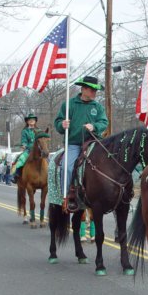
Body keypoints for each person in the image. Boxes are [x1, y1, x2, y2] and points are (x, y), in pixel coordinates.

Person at [54, 76, 109, 210]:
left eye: (96, 91)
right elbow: (57, 122)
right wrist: (62, 124)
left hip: (93, 142)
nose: (94, 93)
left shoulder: (98, 107)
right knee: (67, 167)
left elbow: (104, 122)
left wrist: (94, 126)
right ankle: (67, 196)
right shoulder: (69, 105)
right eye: (92, 90)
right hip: (74, 143)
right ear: (83, 89)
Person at [11, 113, 39, 184]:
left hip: (38, 150)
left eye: (33, 119)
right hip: (28, 150)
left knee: (47, 160)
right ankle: (16, 176)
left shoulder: (39, 130)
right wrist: (24, 145)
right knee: (21, 159)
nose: (32, 121)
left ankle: (50, 176)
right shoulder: (25, 131)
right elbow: (24, 141)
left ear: (35, 121)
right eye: (30, 120)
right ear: (27, 121)